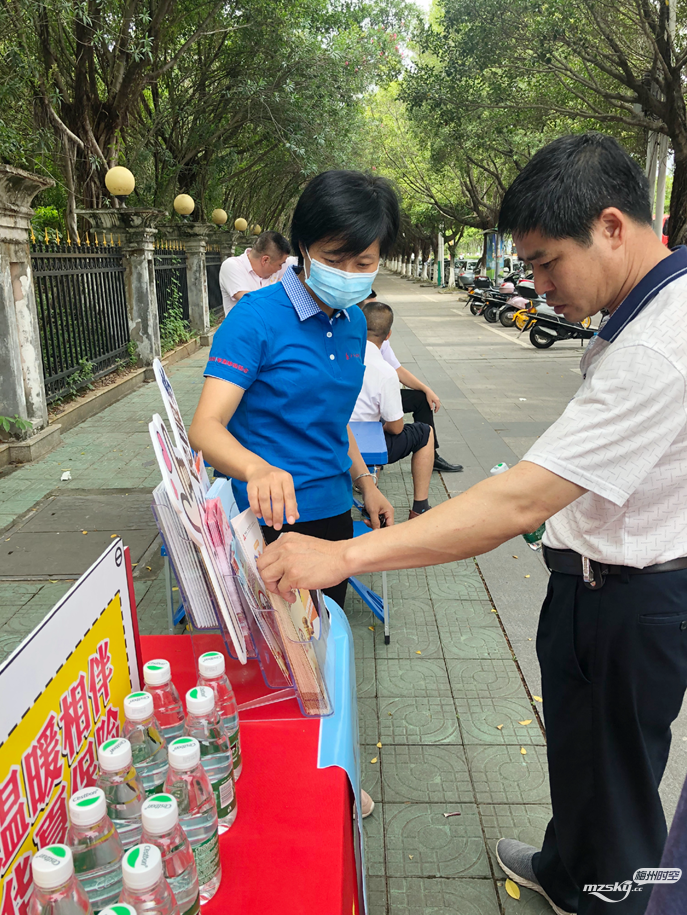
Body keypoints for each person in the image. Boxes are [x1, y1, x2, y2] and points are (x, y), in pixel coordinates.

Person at [257, 133, 687, 915]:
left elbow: (517, 503)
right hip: (594, 584)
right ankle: (565, 869)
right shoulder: (643, 307)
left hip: (632, 601)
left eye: (545, 262)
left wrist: (343, 554)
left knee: (618, 787)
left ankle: (614, 898)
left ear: (613, 227)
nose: (536, 284)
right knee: (583, 760)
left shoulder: (660, 345)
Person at [188, 169, 398, 614]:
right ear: (303, 248)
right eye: (334, 258)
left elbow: (332, 421)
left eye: (363, 264)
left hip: (334, 512)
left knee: (322, 643)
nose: (348, 274)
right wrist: (257, 469)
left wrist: (366, 484)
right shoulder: (255, 318)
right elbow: (205, 428)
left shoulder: (355, 322)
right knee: (278, 657)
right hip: (265, 518)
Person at [351, 301, 435, 519]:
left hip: (331, 438)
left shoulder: (337, 357)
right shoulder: (385, 371)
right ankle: (420, 507)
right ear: (387, 336)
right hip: (362, 444)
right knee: (424, 433)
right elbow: (397, 428)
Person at [363, 290, 462, 472]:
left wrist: (426, 389)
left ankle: (431, 456)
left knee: (421, 399)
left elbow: (397, 369)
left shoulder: (382, 347)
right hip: (366, 401)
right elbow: (396, 427)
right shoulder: (356, 346)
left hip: (369, 398)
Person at [219, 230, 296, 314]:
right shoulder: (233, 266)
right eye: (279, 265)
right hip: (246, 326)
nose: (281, 268)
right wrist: (279, 287)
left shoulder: (280, 262)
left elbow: (308, 260)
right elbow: (253, 303)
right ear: (265, 260)